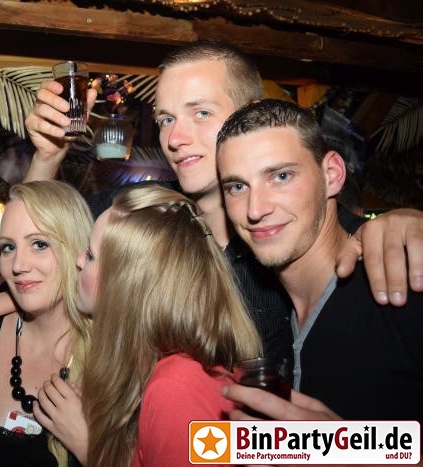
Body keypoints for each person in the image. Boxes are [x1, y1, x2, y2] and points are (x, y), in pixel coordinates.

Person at [23, 40, 423, 365]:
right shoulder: (143, 215)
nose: (175, 139)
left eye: (200, 112)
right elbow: (30, 249)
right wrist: (46, 157)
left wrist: (403, 225)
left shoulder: (307, 240)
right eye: (165, 119)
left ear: (250, 117)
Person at [216, 99, 423, 423]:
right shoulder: (266, 315)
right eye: (237, 186)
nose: (255, 209)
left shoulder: (400, 285)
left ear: (332, 175)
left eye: (281, 176)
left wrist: (349, 446)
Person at [36, 184, 262, 466]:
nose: (79, 260)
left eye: (91, 255)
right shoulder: (155, 367)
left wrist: (90, 448)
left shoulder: (177, 389)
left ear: (127, 284)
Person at [0, 180, 93, 467]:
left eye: (39, 244)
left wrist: (88, 448)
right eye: (8, 247)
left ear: (78, 251)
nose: (18, 265)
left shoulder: (110, 356)